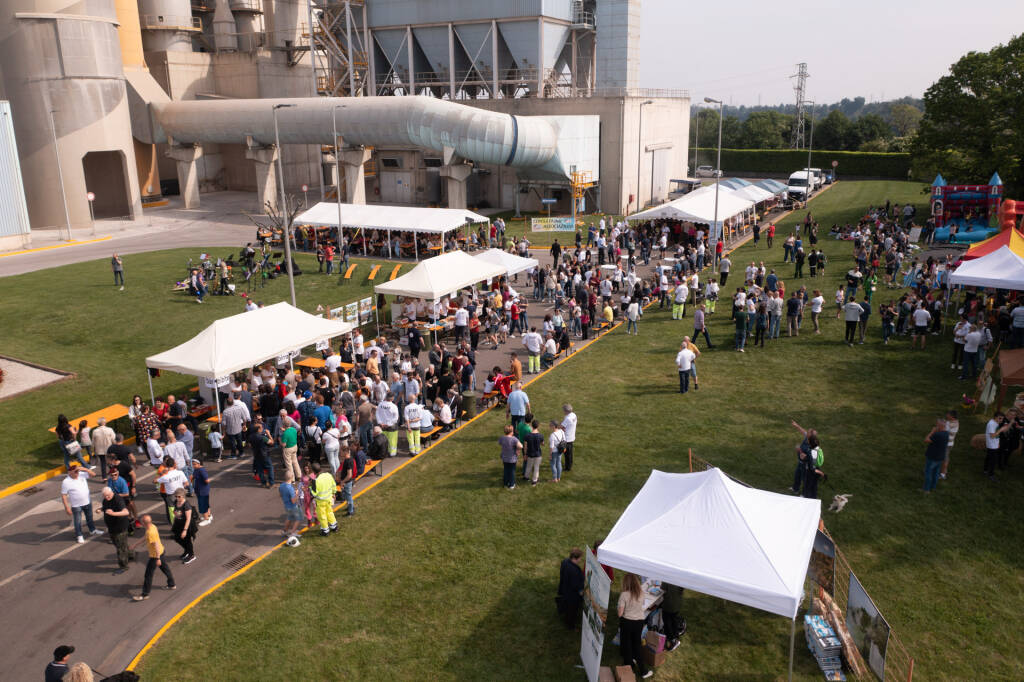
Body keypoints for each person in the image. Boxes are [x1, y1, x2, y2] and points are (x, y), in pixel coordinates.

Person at [131, 515, 175, 601]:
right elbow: (146, 537)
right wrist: (135, 544)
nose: (140, 523)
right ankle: (171, 584)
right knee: (165, 569)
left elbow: (156, 545)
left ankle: (145, 594)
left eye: (141, 522)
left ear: (144, 523)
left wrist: (158, 558)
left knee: (148, 575)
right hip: (161, 552)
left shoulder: (150, 532)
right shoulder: (152, 526)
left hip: (155, 556)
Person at [618, 573, 652, 679]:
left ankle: (628, 667)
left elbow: (620, 613)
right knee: (636, 644)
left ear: (625, 583)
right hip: (639, 622)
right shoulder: (641, 593)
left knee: (626, 643)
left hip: (627, 621)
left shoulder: (624, 595)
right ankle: (643, 670)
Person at [61, 464, 103, 543]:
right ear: (69, 472)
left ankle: (92, 530)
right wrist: (67, 507)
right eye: (75, 472)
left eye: (77, 471)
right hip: (76, 505)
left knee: (90, 518)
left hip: (87, 502)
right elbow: (64, 495)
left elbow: (93, 474)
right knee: (78, 521)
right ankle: (79, 535)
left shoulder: (81, 474)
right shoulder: (66, 482)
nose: (77, 473)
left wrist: (84, 469)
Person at [101, 487, 133, 574]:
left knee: (120, 548)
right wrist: (100, 509)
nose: (106, 498)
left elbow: (126, 512)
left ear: (112, 493)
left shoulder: (118, 500)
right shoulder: (105, 500)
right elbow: (105, 507)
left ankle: (123, 566)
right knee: (120, 544)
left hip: (120, 528)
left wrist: (113, 513)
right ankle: (130, 554)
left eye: (107, 496)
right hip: (112, 528)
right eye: (104, 496)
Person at [556, 548, 584, 628]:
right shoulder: (574, 571)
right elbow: (576, 585)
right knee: (571, 611)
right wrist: (581, 591)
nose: (581, 559)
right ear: (576, 558)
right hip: (572, 595)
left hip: (565, 589)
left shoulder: (565, 561)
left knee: (568, 608)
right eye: (580, 558)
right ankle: (570, 625)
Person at [309, 462, 338, 536]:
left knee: (322, 516)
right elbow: (334, 485)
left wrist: (310, 486)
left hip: (321, 502)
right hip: (329, 499)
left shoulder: (316, 481)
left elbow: (313, 494)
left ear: (313, 471)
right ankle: (334, 526)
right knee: (330, 512)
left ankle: (325, 531)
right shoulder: (328, 475)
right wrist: (334, 493)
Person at [171, 488, 198, 564]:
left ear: (183, 496)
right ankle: (187, 551)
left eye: (179, 496)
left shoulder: (186, 505)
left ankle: (191, 555)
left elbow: (188, 519)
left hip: (186, 526)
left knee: (187, 541)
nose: (177, 498)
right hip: (178, 524)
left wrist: (185, 530)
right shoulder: (176, 501)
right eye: (176, 496)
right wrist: (175, 515)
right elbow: (175, 511)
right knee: (177, 538)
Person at [922, 418, 949, 493]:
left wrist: (932, 431)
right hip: (940, 457)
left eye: (937, 425)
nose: (936, 426)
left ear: (940, 426)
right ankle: (933, 487)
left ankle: (926, 489)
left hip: (932, 457)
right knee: (936, 473)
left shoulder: (937, 434)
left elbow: (926, 440)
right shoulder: (946, 433)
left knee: (928, 472)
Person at [661, 583, 686, 651]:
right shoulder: (679, 579)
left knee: (667, 622)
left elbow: (662, 589)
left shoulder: (667, 579)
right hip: (677, 604)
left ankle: (672, 639)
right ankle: (676, 636)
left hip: (668, 605)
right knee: (674, 620)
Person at [984, 412, 1008, 481]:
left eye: (1002, 419)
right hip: (992, 445)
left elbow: (996, 435)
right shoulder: (991, 424)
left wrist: (998, 442)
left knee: (989, 457)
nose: (1001, 420)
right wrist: (1001, 430)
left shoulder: (995, 422)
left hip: (994, 444)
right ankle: (991, 474)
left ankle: (985, 470)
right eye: (999, 418)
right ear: (995, 417)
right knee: (993, 461)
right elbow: (992, 436)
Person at [280, 473, 302, 546]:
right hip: (293, 506)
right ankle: (292, 533)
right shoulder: (290, 488)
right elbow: (293, 500)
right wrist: (297, 494)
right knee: (299, 518)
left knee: (289, 518)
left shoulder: (281, 485)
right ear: (292, 477)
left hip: (286, 505)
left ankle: (284, 531)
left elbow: (280, 494)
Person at [498, 424, 522, 490]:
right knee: (512, 471)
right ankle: (511, 484)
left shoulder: (502, 438)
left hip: (504, 457)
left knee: (506, 470)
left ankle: (505, 483)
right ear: (511, 431)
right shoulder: (514, 439)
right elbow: (521, 446)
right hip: (512, 458)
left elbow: (499, 443)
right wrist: (517, 450)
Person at [523, 420, 544, 486]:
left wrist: (525, 454)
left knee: (529, 465)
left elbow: (525, 446)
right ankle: (534, 481)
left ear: (532, 426)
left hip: (530, 453)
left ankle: (526, 477)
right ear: (538, 426)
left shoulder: (527, 435)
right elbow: (542, 443)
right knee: (536, 467)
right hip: (538, 454)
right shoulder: (540, 435)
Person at [940, 410, 959, 480]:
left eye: (948, 414)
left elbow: (942, 430)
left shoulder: (952, 424)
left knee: (945, 459)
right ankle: (943, 470)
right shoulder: (950, 422)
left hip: (947, 444)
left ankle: (943, 474)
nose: (946, 415)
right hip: (947, 443)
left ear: (952, 416)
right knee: (943, 457)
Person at [193, 459, 211, 526]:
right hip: (199, 490)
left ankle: (206, 519)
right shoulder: (197, 470)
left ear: (199, 464)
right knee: (205, 503)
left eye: (194, 464)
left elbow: (207, 480)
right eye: (193, 464)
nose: (193, 466)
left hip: (202, 491)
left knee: (203, 505)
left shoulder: (202, 470)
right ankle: (209, 516)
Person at [338, 447, 356, 515]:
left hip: (347, 482)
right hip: (346, 482)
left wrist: (343, 482)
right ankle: (350, 507)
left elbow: (349, 475)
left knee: (348, 496)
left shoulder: (348, 461)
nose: (340, 454)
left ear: (345, 452)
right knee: (346, 496)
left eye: (341, 452)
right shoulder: (348, 459)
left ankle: (350, 511)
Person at [561, 404, 578, 472]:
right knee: (570, 453)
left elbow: (561, 426)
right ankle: (569, 464)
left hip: (567, 438)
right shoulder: (574, 415)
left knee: (566, 453)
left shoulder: (568, 418)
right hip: (571, 436)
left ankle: (567, 467)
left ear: (566, 411)